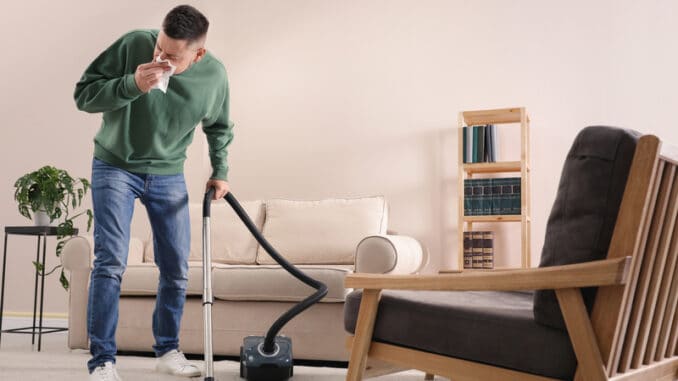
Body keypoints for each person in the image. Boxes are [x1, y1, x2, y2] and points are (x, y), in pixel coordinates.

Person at [74, 5, 233, 380]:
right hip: (114, 164)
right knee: (111, 261)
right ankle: (102, 362)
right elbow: (84, 95)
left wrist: (221, 171)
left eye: (172, 56)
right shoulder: (133, 45)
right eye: (159, 48)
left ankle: (167, 350)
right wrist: (132, 84)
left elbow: (220, 126)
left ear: (198, 55)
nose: (159, 58)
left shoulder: (214, 76)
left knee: (176, 267)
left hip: (167, 173)